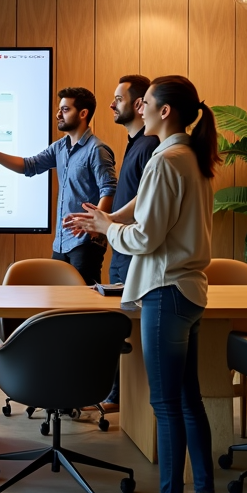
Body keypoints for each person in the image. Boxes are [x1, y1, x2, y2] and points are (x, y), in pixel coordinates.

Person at [67, 75, 220, 493]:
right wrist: (107, 217)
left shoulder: (164, 160)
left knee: (166, 405)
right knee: (189, 401)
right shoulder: (189, 156)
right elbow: (146, 212)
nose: (140, 106)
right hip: (190, 292)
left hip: (165, 292)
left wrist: (108, 230)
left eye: (146, 101)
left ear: (164, 111)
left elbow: (145, 237)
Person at [0, 87, 116, 284]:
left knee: (83, 307)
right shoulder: (60, 147)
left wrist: (96, 225)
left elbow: (109, 189)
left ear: (83, 114)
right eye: (59, 109)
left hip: (85, 242)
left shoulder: (96, 149)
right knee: (56, 303)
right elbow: (29, 166)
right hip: (62, 242)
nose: (58, 114)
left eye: (65, 110)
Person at [97, 74, 158, 414]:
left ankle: (118, 399)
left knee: (126, 328)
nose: (112, 104)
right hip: (121, 247)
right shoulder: (136, 143)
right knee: (123, 326)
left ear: (138, 104)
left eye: (118, 99)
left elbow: (144, 201)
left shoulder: (149, 146)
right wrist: (104, 222)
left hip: (133, 250)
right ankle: (116, 397)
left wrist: (109, 221)